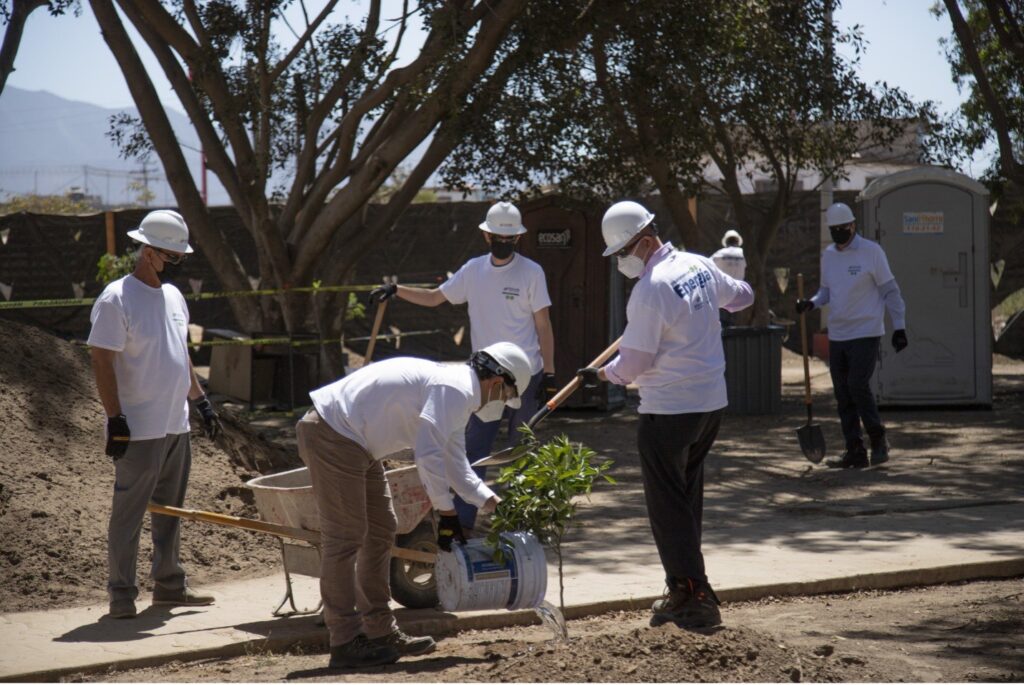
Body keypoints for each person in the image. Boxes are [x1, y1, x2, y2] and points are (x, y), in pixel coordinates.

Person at [296, 342, 531, 669]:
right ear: (497, 383)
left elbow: (455, 463)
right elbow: (428, 455)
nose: (503, 403)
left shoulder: (456, 393)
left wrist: (491, 501)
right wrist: (446, 511)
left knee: (380, 531)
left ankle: (380, 631)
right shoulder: (455, 389)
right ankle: (345, 640)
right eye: (506, 396)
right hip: (333, 434)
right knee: (346, 537)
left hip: (355, 443)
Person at [577, 201, 753, 630]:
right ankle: (681, 586)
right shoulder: (697, 265)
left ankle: (693, 594)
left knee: (668, 509)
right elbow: (743, 297)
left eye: (622, 253)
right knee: (685, 500)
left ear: (644, 241)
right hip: (710, 405)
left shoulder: (650, 289)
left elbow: (632, 366)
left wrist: (600, 374)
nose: (621, 262)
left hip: (669, 411)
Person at [369, 201, 555, 534]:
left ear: (518, 239)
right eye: (498, 235)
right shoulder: (473, 271)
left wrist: (550, 373)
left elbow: (543, 325)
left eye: (509, 237)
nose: (503, 241)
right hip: (485, 380)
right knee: (474, 450)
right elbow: (435, 298)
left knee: (521, 450)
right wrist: (397, 291)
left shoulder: (531, 272)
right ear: (486, 236)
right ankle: (464, 522)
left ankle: (524, 521)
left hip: (525, 377)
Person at [88, 210, 222, 620]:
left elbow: (179, 356)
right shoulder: (116, 298)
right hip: (140, 430)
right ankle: (121, 593)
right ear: (148, 252)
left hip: (175, 425)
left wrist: (200, 402)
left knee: (171, 513)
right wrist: (116, 419)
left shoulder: (173, 297)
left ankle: (169, 586)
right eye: (172, 257)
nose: (177, 264)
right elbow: (101, 359)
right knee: (128, 514)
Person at [796, 202, 907, 468]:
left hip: (866, 331)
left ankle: (878, 440)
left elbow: (890, 291)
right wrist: (811, 303)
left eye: (843, 228)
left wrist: (899, 326)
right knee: (843, 393)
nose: (839, 234)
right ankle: (854, 450)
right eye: (834, 230)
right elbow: (826, 291)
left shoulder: (872, 252)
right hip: (839, 333)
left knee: (857, 384)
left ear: (853, 226)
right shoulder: (829, 255)